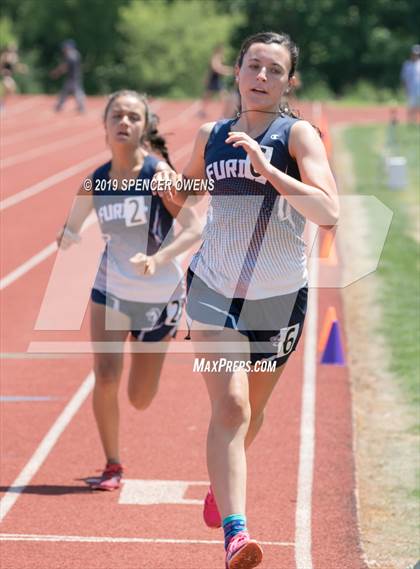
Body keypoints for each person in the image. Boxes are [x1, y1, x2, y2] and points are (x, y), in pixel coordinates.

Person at [153, 31, 339, 569]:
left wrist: (270, 168)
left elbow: (329, 212)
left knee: (251, 413)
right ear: (235, 72)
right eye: (253, 66)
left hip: (280, 298)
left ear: (288, 82)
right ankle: (237, 533)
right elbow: (184, 195)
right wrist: (169, 187)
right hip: (212, 291)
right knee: (230, 405)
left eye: (273, 70)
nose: (261, 77)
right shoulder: (211, 135)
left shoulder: (299, 135)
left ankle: (220, 481)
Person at [57, 90, 202, 490]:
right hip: (111, 288)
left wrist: (159, 257)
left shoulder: (159, 177)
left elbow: (194, 227)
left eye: (133, 117)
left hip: (159, 294)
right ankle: (112, 465)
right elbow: (74, 225)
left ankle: (155, 342)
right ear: (105, 125)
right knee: (104, 375)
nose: (124, 122)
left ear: (144, 128)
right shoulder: (96, 180)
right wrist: (67, 235)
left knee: (140, 396)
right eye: (117, 115)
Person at [50, 39, 86, 113]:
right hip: (74, 77)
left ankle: (81, 108)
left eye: (65, 47)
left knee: (76, 92)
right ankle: (59, 106)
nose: (64, 49)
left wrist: (56, 72)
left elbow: (65, 66)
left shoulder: (71, 55)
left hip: (73, 78)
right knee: (66, 92)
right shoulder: (76, 54)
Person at [198, 44, 233, 118]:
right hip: (214, 79)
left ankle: (202, 111)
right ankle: (225, 114)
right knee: (222, 95)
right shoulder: (215, 57)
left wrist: (227, 69)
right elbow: (216, 68)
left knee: (214, 95)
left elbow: (219, 67)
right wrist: (226, 71)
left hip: (216, 79)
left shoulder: (218, 57)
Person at [400, 44, 420, 123]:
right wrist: (405, 89)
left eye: (417, 54)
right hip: (411, 89)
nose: (415, 55)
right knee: (411, 105)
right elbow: (404, 78)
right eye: (414, 54)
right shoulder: (407, 64)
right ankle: (411, 121)